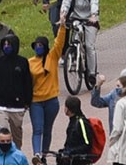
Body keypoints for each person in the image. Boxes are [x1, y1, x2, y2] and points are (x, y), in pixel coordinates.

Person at [22, 27, 66, 157]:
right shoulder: (29, 62)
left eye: (41, 45)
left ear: (46, 47)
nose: (38, 48)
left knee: (47, 129)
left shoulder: (52, 57)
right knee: (37, 129)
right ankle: (37, 154)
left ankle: (44, 154)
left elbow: (59, 42)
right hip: (36, 102)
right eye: (36, 45)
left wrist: (62, 26)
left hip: (51, 101)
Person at [58, 95, 99, 165]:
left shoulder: (82, 122)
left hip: (78, 160)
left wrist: (72, 151)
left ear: (69, 109)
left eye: (65, 107)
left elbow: (87, 144)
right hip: (70, 158)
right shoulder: (72, 120)